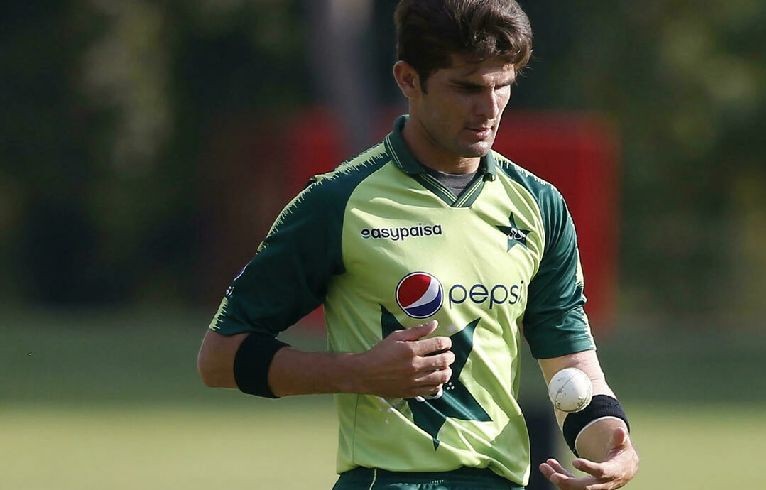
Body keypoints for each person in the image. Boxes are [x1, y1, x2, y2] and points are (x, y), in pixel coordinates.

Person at [197, 1, 639, 488]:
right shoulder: (338, 202)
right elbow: (220, 357)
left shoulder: (539, 206)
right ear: (409, 79)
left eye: (502, 86)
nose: (488, 108)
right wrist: (359, 372)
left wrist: (612, 444)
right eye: (467, 87)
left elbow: (572, 372)